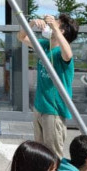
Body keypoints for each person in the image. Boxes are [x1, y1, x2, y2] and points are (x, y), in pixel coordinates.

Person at [18, 14, 79, 159]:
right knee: (39, 153)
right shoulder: (45, 46)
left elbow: (68, 54)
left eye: (53, 23)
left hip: (54, 110)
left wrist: (55, 29)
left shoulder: (62, 51)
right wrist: (32, 23)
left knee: (53, 155)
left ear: (62, 30)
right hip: (39, 107)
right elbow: (21, 37)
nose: (47, 26)